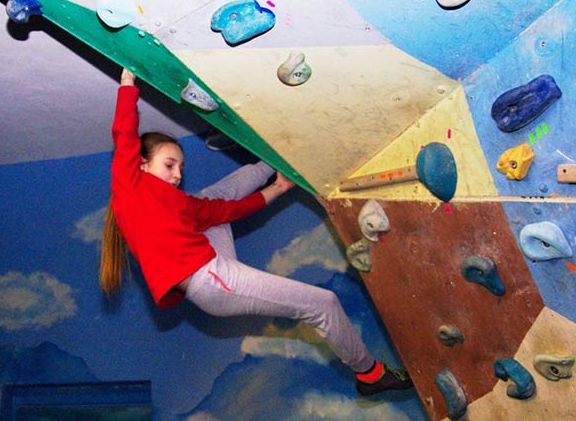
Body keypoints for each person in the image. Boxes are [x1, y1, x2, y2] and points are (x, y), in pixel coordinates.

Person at [100, 68, 412, 396]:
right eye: (169, 165)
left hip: (212, 270)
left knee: (211, 201)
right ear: (141, 164)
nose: (178, 174)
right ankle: (370, 374)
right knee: (323, 303)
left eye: (180, 167)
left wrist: (277, 187)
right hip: (211, 280)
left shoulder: (175, 204)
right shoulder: (130, 186)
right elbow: (124, 134)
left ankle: (272, 162)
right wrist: (128, 83)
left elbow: (226, 210)